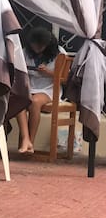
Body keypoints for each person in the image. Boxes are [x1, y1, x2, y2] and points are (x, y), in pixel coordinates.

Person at [15, 26, 64, 154]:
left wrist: (48, 72)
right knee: (19, 100)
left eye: (40, 46)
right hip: (30, 87)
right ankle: (25, 138)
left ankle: (31, 141)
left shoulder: (59, 53)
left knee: (34, 101)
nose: (36, 48)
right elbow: (19, 72)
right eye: (34, 45)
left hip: (49, 89)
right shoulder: (25, 52)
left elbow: (64, 78)